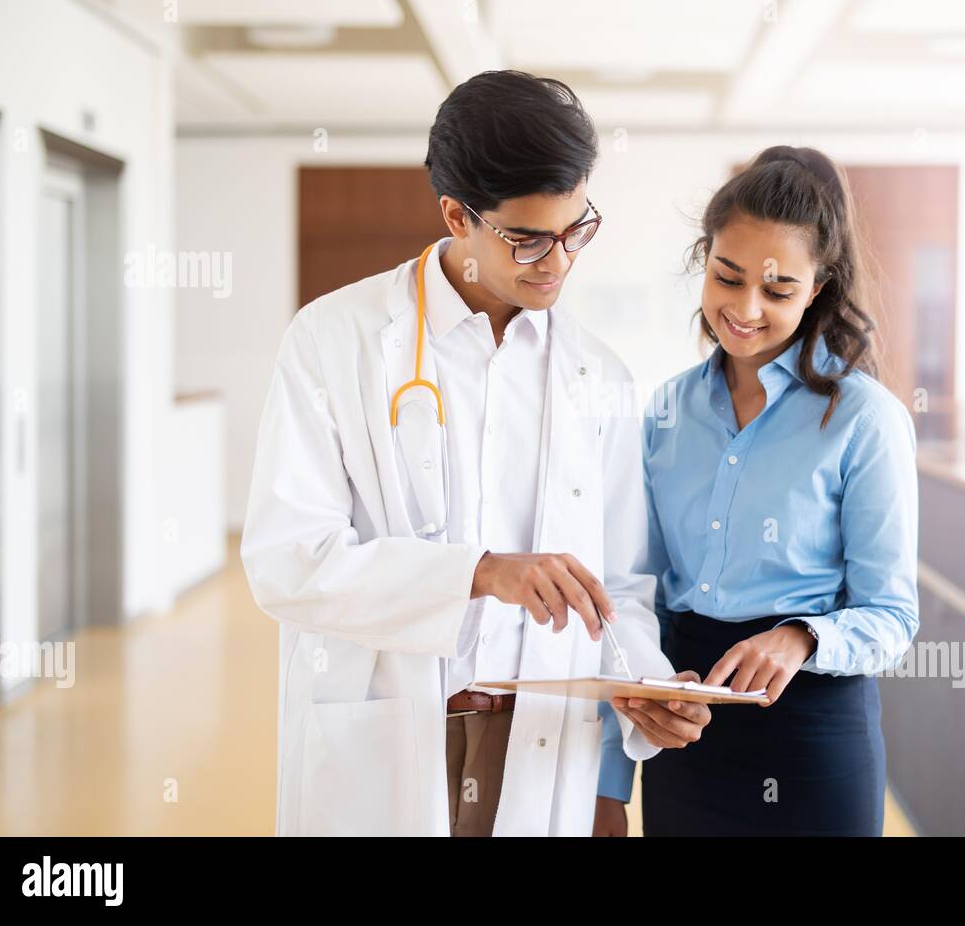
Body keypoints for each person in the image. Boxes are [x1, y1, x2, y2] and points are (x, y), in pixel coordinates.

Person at [240, 70, 709, 837]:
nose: (557, 261)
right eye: (527, 238)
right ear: (458, 215)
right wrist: (481, 572)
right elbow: (288, 560)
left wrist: (645, 683)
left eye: (577, 228)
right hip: (391, 733)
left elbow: (618, 585)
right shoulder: (333, 341)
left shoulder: (599, 377)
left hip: (542, 738)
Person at [599, 146, 919, 835]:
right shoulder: (666, 412)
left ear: (818, 288)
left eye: (777, 290)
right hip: (686, 740)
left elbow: (892, 617)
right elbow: (633, 594)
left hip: (813, 745)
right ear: (704, 258)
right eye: (728, 276)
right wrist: (609, 780)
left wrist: (802, 637)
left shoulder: (865, 420)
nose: (744, 309)